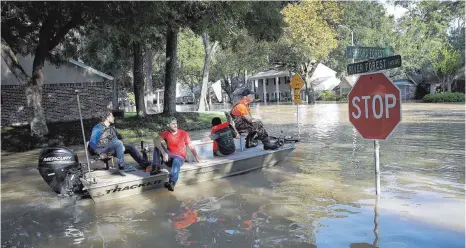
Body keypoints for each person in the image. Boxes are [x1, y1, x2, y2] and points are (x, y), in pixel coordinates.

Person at [152, 117, 202, 191]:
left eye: (176, 123)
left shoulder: (183, 133)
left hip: (180, 158)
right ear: (168, 125)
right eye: (173, 124)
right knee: (157, 146)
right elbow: (155, 140)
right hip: (169, 156)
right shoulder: (166, 133)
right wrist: (163, 152)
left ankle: (172, 183)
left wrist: (197, 158)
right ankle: (155, 168)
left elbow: (190, 145)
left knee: (176, 160)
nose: (175, 125)